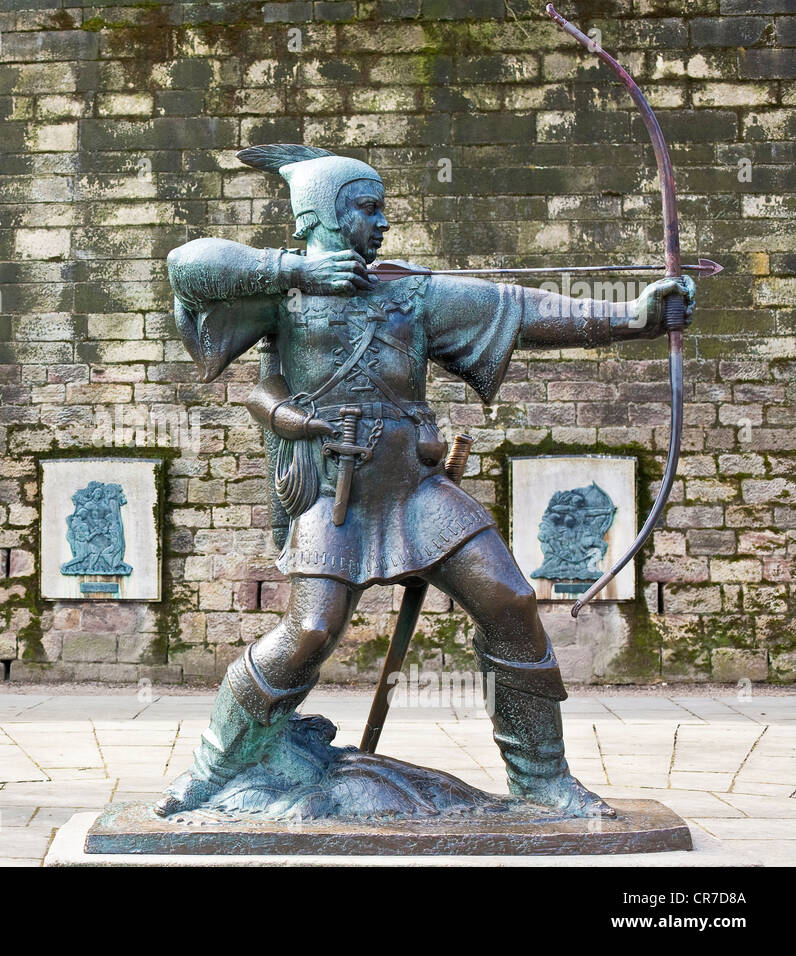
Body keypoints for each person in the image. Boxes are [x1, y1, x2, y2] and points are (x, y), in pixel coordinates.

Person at [158, 144, 695, 818]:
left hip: (414, 488)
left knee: (507, 599)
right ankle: (213, 770)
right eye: (365, 208)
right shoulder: (283, 292)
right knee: (310, 633)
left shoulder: (411, 292)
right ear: (321, 214)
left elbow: (521, 310)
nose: (382, 222)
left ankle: (542, 781)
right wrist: (298, 271)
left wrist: (632, 318)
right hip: (336, 492)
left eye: (382, 207)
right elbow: (186, 266)